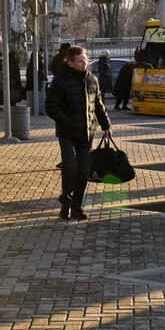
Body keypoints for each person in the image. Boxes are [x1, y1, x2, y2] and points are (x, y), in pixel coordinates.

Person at [46, 46, 112, 221]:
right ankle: (65, 199)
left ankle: (76, 206)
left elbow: (98, 105)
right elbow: (51, 107)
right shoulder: (60, 81)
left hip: (87, 133)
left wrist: (106, 125)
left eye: (85, 60)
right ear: (69, 62)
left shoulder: (92, 80)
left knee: (83, 171)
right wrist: (68, 122)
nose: (84, 64)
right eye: (80, 61)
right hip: (67, 133)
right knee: (70, 168)